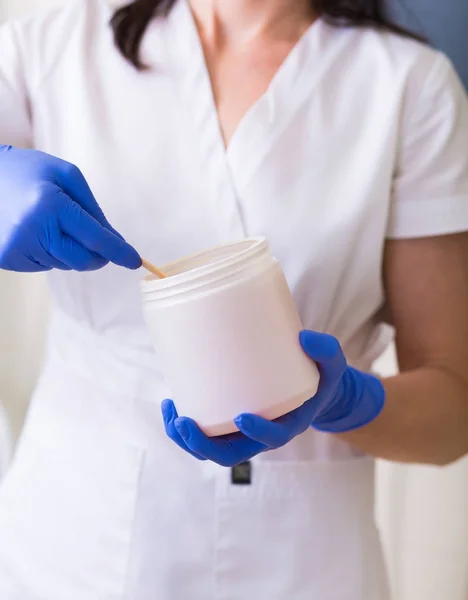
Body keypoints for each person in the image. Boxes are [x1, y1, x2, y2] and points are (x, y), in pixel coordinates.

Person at [0, 0, 467, 598]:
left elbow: (454, 408)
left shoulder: (410, 86)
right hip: (72, 543)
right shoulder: (51, 47)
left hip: (302, 561)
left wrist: (349, 401)